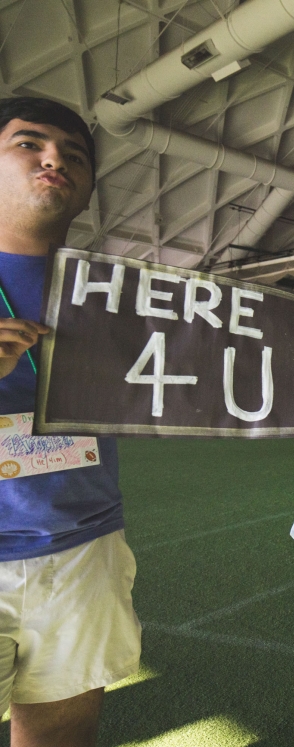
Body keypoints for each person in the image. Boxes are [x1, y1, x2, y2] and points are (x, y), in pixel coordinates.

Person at [0, 97, 142, 747]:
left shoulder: (118, 295)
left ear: (85, 189)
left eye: (74, 154)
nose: (55, 157)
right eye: (29, 143)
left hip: (85, 550)